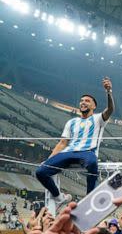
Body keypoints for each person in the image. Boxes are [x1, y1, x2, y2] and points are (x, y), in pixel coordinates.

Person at [35, 77, 114, 207]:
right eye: (82, 100)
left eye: (87, 101)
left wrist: (109, 92)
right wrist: (49, 159)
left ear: (94, 106)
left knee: (93, 163)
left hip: (87, 152)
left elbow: (110, 109)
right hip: (68, 152)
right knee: (40, 172)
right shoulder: (71, 122)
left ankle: (89, 200)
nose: (83, 102)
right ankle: (59, 197)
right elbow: (62, 143)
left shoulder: (98, 118)